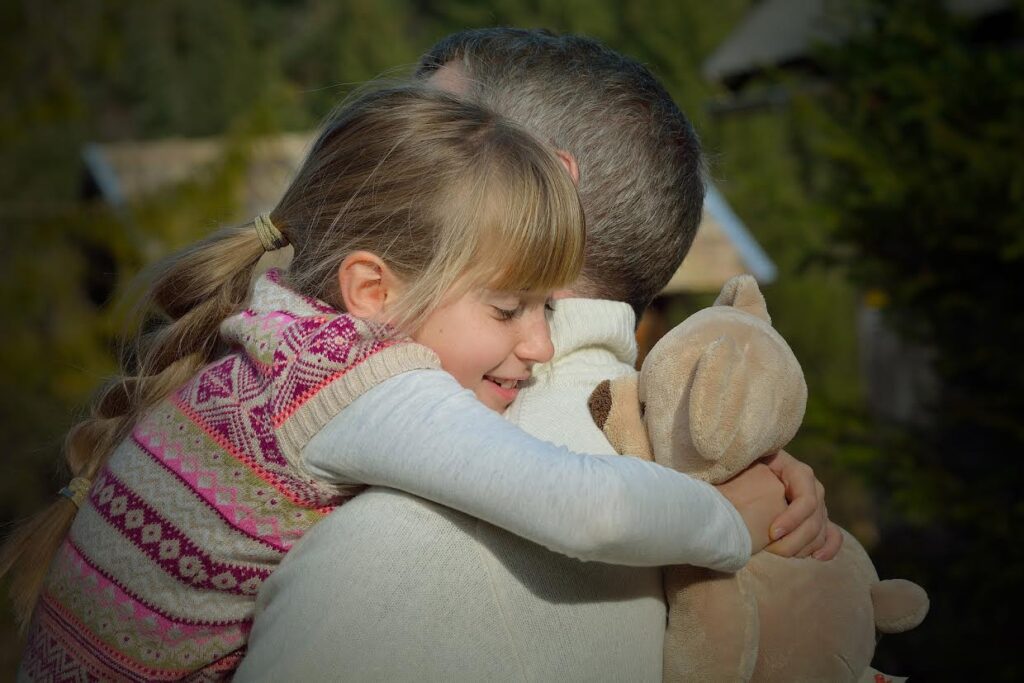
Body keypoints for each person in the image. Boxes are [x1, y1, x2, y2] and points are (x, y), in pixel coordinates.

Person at [6, 85, 784, 681]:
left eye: (547, 308)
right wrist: (729, 521)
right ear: (372, 291)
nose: (542, 343)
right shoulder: (358, 384)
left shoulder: (279, 332)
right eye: (509, 307)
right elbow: (586, 505)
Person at [237, 29, 840, 681]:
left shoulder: (394, 544)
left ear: (547, 186)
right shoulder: (711, 481)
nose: (379, 166)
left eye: (430, 136)